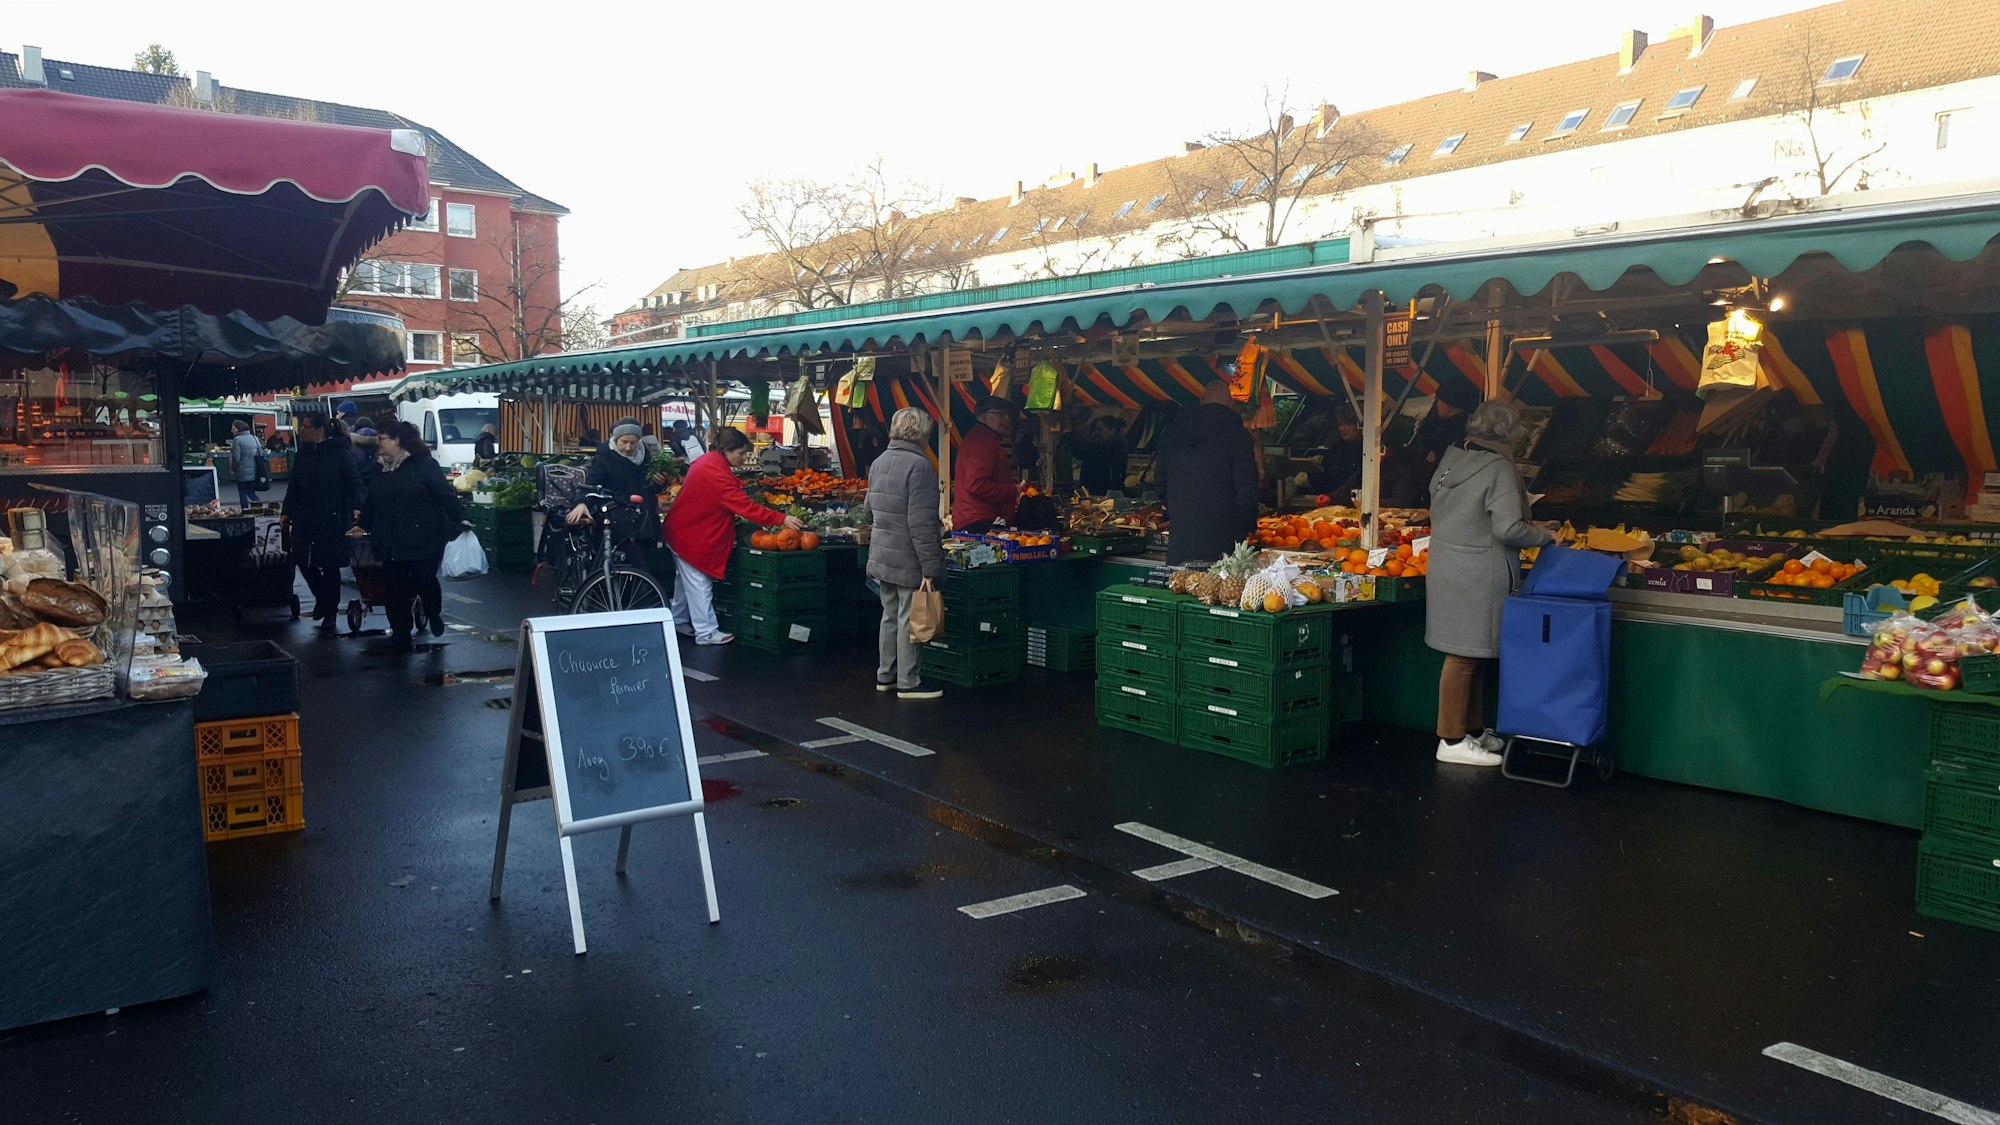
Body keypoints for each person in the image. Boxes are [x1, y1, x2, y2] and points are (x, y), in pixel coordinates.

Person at [1425, 398, 1554, 767]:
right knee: (1463, 656)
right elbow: (1508, 528)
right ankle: (1450, 740)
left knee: (1473, 653)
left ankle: (1473, 729)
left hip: (1448, 563)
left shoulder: (1452, 458)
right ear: (1510, 434)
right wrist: (1545, 536)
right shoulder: (1498, 467)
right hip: (1480, 570)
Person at [660, 427, 802, 646]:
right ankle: (706, 632)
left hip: (681, 530)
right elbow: (743, 505)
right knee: (699, 582)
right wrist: (779, 519)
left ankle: (677, 620)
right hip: (691, 534)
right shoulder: (715, 473)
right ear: (727, 450)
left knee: (685, 581)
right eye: (741, 453)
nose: (744, 458)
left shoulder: (708, 461)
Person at [349, 420, 464, 650]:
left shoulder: (424, 465)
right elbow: (372, 500)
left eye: (382, 438)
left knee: (424, 579)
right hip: (390, 539)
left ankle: (433, 612)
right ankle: (401, 633)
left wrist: (461, 517)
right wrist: (361, 524)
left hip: (424, 536)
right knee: (394, 588)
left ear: (397, 441)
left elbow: (444, 494)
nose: (377, 443)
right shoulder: (379, 468)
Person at [866, 408, 946, 701]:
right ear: (922, 434)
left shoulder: (879, 462)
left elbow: (868, 509)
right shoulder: (920, 467)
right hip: (908, 554)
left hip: (882, 553)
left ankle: (885, 675)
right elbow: (922, 522)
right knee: (907, 618)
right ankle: (908, 681)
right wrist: (930, 565)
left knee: (889, 615)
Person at [1157, 383, 1258, 565]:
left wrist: (1181, 507)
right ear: (1231, 403)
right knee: (1217, 591)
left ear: (1201, 400)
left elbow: (1159, 481)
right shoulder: (1237, 436)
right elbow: (1247, 488)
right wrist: (1246, 526)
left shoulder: (1172, 432)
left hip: (1182, 537)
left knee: (1177, 587)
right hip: (1224, 540)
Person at [282, 411, 362, 632]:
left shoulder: (340, 454)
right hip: (306, 517)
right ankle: (322, 599)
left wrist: (358, 508)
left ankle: (330, 612)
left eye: (306, 426)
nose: (302, 430)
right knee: (303, 560)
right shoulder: (303, 454)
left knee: (330, 565)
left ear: (320, 429)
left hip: (333, 518)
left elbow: (354, 483)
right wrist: (286, 512)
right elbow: (294, 486)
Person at [566, 420, 669, 536]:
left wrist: (658, 483)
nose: (628, 447)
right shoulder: (604, 459)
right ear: (615, 439)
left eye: (633, 442)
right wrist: (582, 503)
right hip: (617, 523)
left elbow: (652, 490)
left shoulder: (646, 458)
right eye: (624, 442)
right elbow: (592, 485)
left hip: (646, 522)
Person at [953, 396, 1022, 532]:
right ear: (983, 417)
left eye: (1007, 414)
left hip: (974, 518)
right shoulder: (983, 442)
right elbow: (976, 485)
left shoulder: (982, 438)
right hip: (980, 521)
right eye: (1000, 414)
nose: (1007, 419)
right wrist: (1013, 490)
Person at [1066, 416, 1130, 495]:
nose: (1096, 432)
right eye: (1096, 429)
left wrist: (1070, 438)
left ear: (1112, 430)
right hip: (1099, 491)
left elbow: (1083, 452)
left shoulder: (1114, 447)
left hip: (1105, 493)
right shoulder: (1104, 446)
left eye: (1100, 429)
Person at [229, 420, 262, 509]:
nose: (232, 431)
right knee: (251, 492)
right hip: (254, 471)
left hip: (241, 472)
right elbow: (261, 453)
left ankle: (245, 511)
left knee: (242, 493)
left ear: (239, 429)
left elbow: (236, 458)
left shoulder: (237, 440)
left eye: (233, 428)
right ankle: (259, 508)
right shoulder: (254, 438)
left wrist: (233, 468)